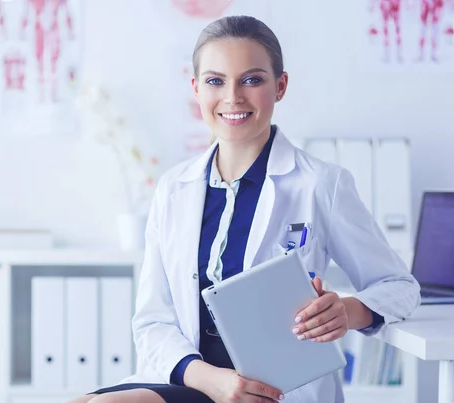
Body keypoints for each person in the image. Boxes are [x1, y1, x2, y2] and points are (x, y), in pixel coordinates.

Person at [68, 15, 421, 403]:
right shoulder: (174, 188)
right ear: (196, 89)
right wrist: (212, 381)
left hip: (273, 391)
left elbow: (400, 288)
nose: (233, 96)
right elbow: (153, 321)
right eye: (215, 81)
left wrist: (349, 311)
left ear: (280, 86)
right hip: (193, 377)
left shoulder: (321, 183)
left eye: (252, 79)